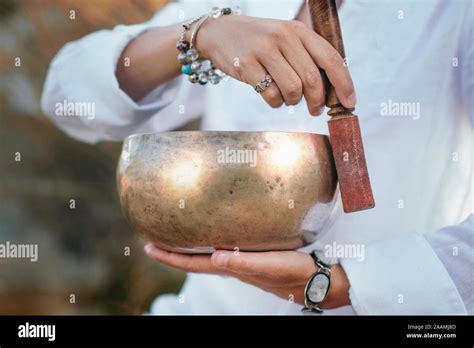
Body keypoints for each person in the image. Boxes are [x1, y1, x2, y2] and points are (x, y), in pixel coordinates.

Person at [41, 0, 473, 315]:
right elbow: (67, 99)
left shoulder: (452, 13)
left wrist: (342, 285)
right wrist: (200, 35)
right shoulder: (239, 5)